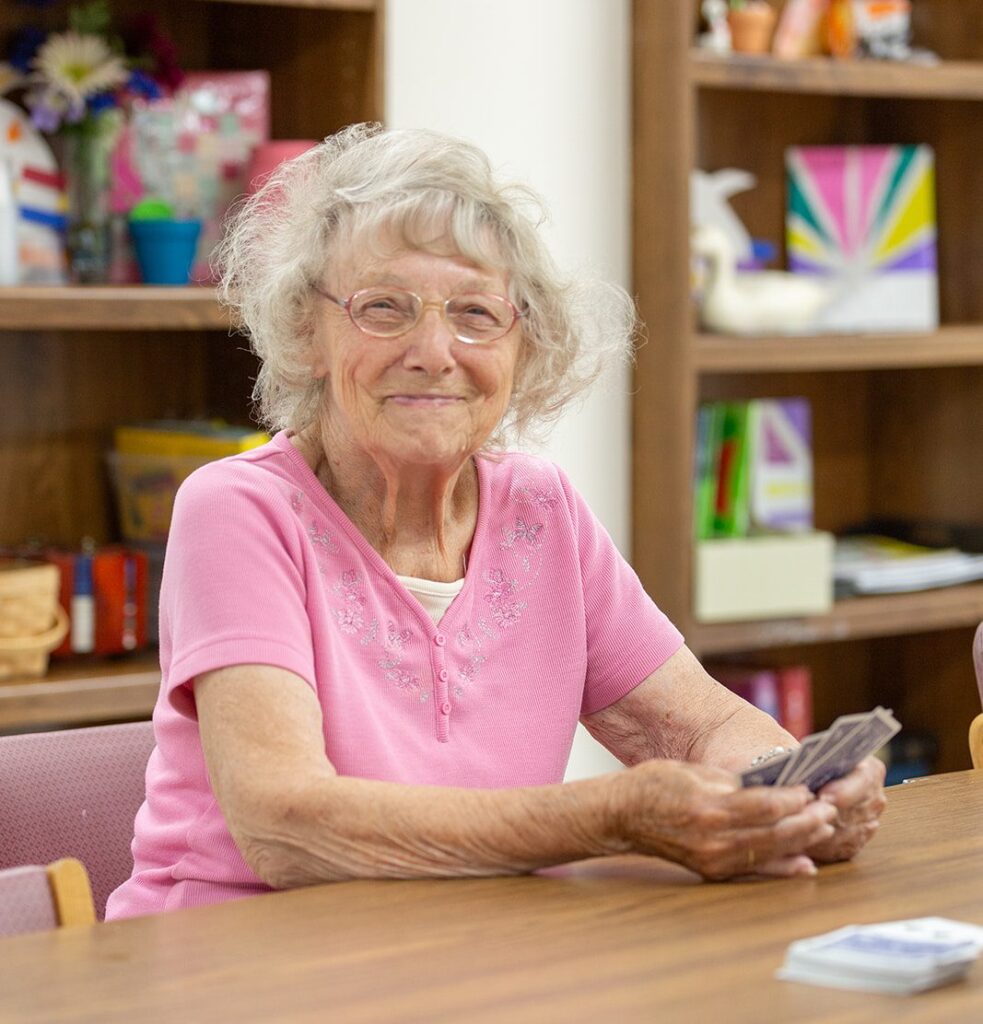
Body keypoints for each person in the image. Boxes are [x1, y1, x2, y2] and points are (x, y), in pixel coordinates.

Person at [106, 124, 885, 919]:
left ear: (524, 349)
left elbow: (698, 728)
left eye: (476, 315)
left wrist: (795, 785)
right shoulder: (239, 510)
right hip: (227, 961)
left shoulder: (539, 510)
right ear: (309, 332)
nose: (434, 351)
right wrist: (606, 819)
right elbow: (285, 826)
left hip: (467, 959)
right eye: (384, 309)